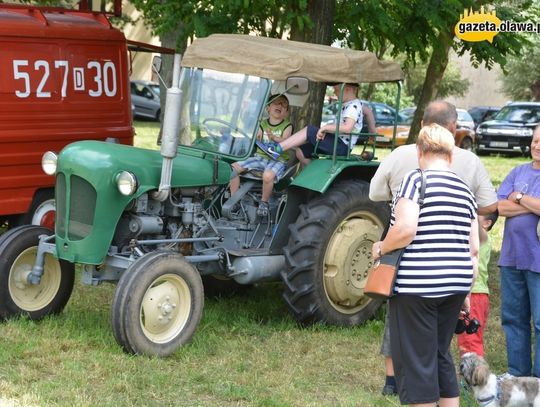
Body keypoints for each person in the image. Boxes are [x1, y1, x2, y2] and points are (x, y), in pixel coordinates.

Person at [369, 100, 497, 396]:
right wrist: (466, 290)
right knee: (440, 356)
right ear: (452, 153)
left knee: (417, 362)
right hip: (455, 285)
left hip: (419, 286)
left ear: (419, 151)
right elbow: (474, 249)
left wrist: (380, 247)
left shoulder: (416, 179)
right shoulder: (465, 189)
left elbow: (405, 229)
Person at [497, 126, 540, 377]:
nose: (537, 145)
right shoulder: (518, 171)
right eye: (535, 140)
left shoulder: (518, 185)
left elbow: (512, 201)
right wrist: (533, 206)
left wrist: (520, 197)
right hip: (512, 257)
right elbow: (499, 207)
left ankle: (538, 381)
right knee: (513, 320)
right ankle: (517, 375)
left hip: (537, 262)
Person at [257, 83, 363, 166]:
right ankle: (315, 175)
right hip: (336, 142)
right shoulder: (352, 104)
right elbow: (365, 111)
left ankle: (277, 149)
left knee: (309, 130)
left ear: (347, 89)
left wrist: (326, 127)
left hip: (341, 146)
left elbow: (347, 128)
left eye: (336, 90)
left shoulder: (352, 107)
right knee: (301, 151)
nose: (334, 93)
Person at [230, 94, 293, 216]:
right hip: (260, 158)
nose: (279, 105)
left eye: (283, 104)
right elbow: (257, 137)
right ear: (268, 108)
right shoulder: (263, 124)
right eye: (276, 102)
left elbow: (286, 140)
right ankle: (234, 200)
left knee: (268, 176)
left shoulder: (287, 125)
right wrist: (255, 136)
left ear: (286, 112)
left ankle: (264, 202)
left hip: (277, 160)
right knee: (233, 168)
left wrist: (274, 138)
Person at [456, 210, 498, 357]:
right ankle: (473, 376)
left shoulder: (482, 236)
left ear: (487, 223)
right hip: (478, 295)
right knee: (468, 338)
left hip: (474, 295)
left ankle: (475, 377)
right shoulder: (476, 238)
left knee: (470, 340)